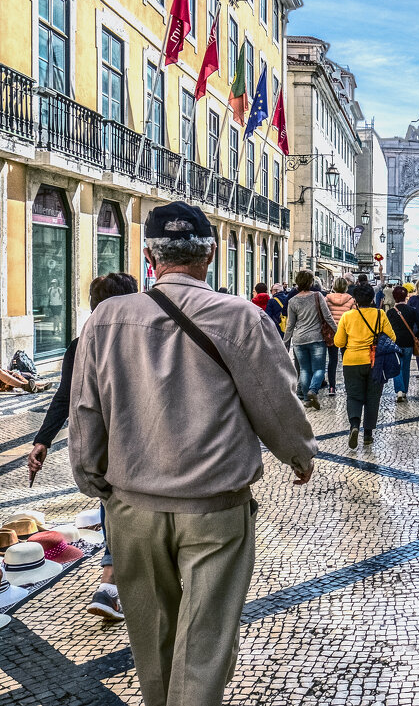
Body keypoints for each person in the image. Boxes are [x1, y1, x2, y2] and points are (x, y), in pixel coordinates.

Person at [69, 201, 316, 706]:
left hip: (132, 508)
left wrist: (92, 478)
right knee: (203, 645)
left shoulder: (105, 319)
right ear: (210, 253)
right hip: (214, 510)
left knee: (152, 640)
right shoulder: (241, 318)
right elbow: (275, 400)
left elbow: (86, 409)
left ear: (149, 255)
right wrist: (298, 453)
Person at [28, 272, 137, 622]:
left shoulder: (80, 344)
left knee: (113, 507)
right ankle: (110, 584)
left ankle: (113, 583)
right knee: (128, 511)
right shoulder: (141, 341)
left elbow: (64, 397)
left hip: (99, 446)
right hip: (138, 442)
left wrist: (42, 440)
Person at [334, 284, 396, 447]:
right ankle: (368, 434)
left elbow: (339, 342)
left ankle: (354, 426)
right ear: (372, 299)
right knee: (372, 397)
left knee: (354, 396)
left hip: (352, 361)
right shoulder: (380, 314)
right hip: (374, 362)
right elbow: (392, 337)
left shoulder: (347, 317)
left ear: (355, 300)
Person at [283, 269, 338, 409]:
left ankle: (307, 399)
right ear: (310, 282)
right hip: (317, 338)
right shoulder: (317, 296)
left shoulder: (292, 300)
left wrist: (285, 343)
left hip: (299, 340)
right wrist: (337, 331)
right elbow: (327, 317)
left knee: (304, 370)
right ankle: (313, 390)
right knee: (319, 369)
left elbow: (290, 325)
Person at [387, 285, 419, 401]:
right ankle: (405, 391)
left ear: (394, 297)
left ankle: (399, 390)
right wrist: (415, 336)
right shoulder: (412, 310)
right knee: (406, 367)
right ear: (406, 297)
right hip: (408, 342)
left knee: (397, 366)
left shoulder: (391, 312)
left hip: (395, 342)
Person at [325, 278, 355, 396]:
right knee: (346, 360)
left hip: (331, 333)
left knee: (332, 360)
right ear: (346, 287)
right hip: (346, 333)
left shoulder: (327, 299)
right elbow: (353, 317)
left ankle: (332, 387)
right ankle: (348, 386)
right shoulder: (351, 300)